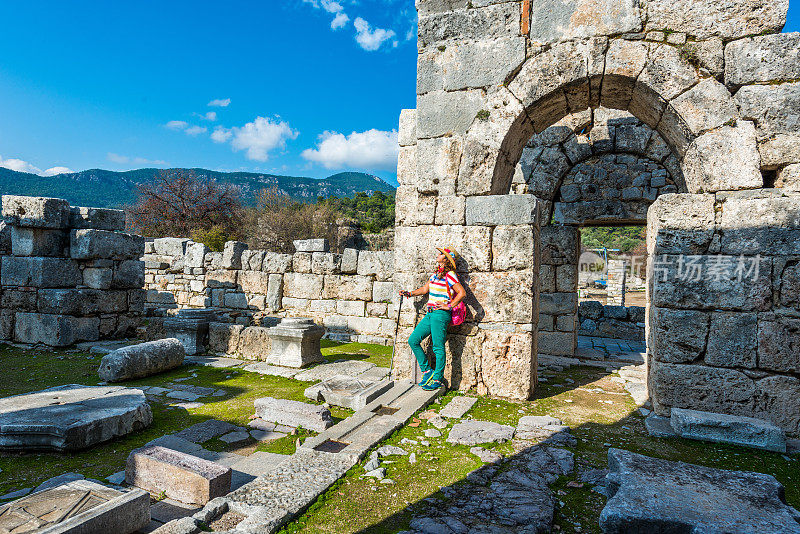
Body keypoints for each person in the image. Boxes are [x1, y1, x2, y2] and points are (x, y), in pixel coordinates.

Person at [400, 246, 466, 390]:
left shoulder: (450, 275)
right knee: (413, 340)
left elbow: (461, 293)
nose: (438, 254)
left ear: (446, 259)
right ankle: (427, 371)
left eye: (441, 254)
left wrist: (449, 306)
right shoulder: (436, 274)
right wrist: (409, 293)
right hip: (430, 313)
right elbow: (425, 289)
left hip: (440, 314)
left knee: (438, 347)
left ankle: (437, 378)